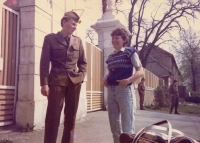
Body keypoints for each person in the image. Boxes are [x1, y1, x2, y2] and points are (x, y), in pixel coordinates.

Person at [40, 11, 87, 143]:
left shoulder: (78, 41)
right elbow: (44, 62)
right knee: (53, 118)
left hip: (74, 82)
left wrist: (81, 76)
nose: (75, 26)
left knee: (71, 118)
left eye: (76, 24)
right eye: (73, 23)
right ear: (64, 22)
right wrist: (44, 83)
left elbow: (83, 62)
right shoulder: (50, 38)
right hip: (56, 81)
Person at [103, 28, 144, 143]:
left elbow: (140, 71)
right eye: (113, 38)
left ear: (124, 39)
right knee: (114, 127)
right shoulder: (110, 57)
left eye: (117, 38)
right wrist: (106, 78)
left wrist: (128, 80)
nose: (114, 40)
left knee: (128, 128)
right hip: (111, 92)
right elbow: (112, 71)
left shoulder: (130, 52)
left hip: (125, 91)